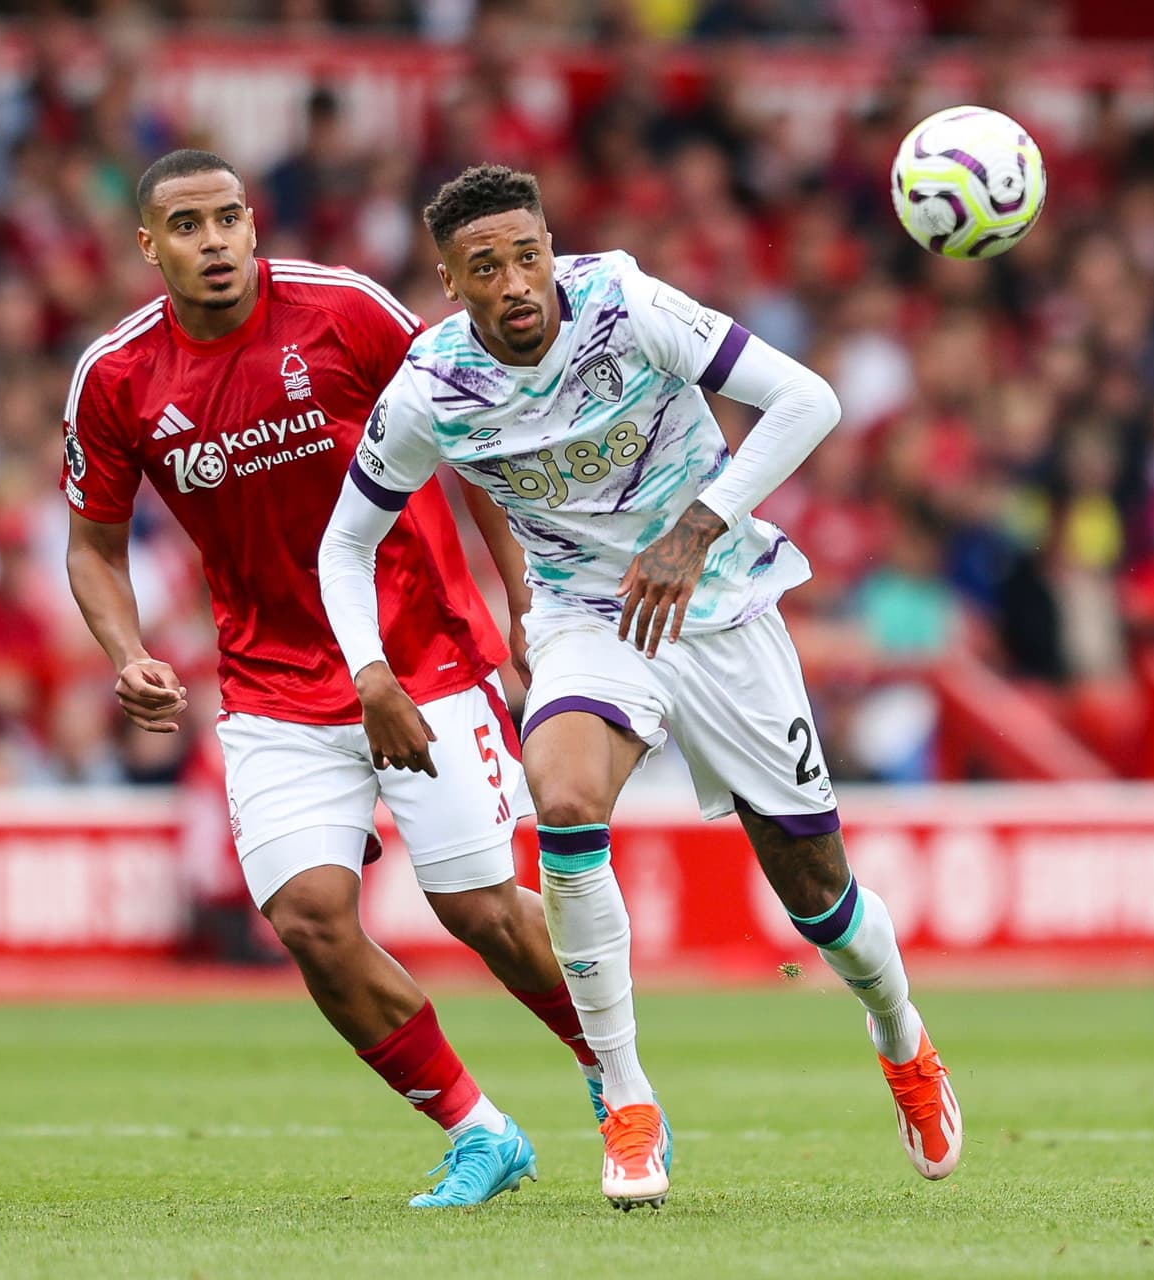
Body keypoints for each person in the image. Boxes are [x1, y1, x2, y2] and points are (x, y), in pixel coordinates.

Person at [319, 164, 962, 1210]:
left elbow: (810, 398)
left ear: (550, 246)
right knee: (563, 804)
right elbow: (345, 545)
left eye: (528, 253)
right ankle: (626, 1100)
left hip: (725, 607)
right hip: (587, 618)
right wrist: (370, 667)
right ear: (451, 281)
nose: (517, 281)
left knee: (821, 903)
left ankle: (902, 1038)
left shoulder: (627, 304)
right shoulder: (431, 388)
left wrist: (696, 527)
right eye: (487, 266)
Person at [61, 150, 595, 1208]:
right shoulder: (117, 377)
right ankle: (480, 1131)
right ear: (149, 245)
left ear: (254, 227)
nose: (212, 241)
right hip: (269, 681)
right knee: (308, 916)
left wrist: (521, 598)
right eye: (186, 226)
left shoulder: (346, 312)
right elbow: (91, 546)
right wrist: (127, 653)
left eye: (227, 219)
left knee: (482, 909)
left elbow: (471, 439)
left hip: (421, 653)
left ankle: (612, 1069)